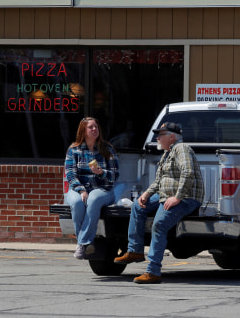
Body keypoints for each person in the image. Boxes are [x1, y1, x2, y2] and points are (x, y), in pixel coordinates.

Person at [114, 122, 204, 284]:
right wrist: (147, 194)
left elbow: (188, 172)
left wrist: (178, 197)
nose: (157, 138)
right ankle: (135, 250)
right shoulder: (167, 153)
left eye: (161, 135)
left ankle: (153, 272)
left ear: (172, 137)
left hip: (187, 198)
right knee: (137, 206)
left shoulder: (181, 148)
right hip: (165, 195)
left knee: (160, 224)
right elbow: (159, 180)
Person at [64, 117, 119, 260]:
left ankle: (82, 243)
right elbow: (70, 174)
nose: (95, 130)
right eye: (91, 127)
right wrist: (81, 190)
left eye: (96, 127)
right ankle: (85, 242)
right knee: (76, 203)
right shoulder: (74, 150)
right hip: (77, 189)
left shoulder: (107, 149)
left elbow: (115, 175)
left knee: (93, 199)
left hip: (102, 190)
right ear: (83, 131)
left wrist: (102, 172)